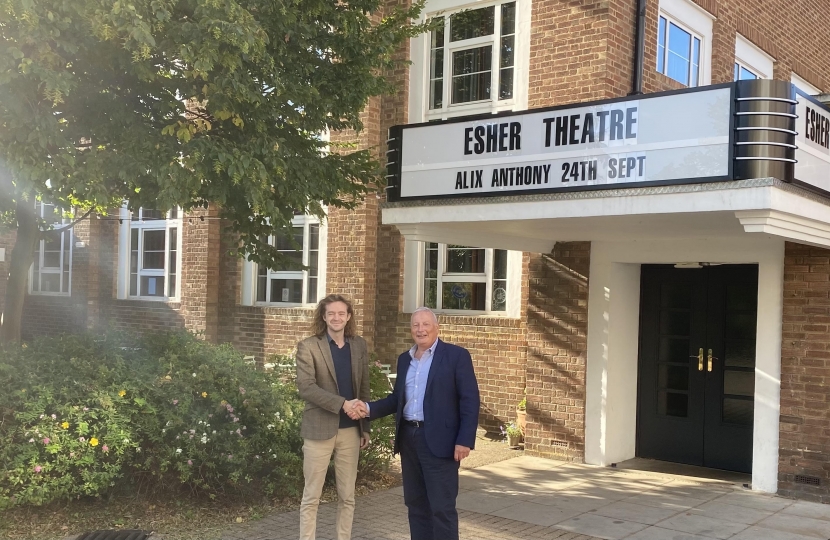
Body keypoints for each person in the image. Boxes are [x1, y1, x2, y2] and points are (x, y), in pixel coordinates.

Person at [350, 306, 480, 540]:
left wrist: (464, 440)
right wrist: (367, 409)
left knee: (442, 508)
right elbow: (397, 399)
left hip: (441, 443)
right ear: (411, 329)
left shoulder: (456, 356)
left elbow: (469, 400)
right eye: (416, 325)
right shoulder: (405, 360)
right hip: (409, 439)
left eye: (426, 324)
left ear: (436, 328)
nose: (421, 329)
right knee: (416, 504)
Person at [296, 294, 371, 540]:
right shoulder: (309, 346)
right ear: (324, 317)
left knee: (347, 496)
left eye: (341, 313)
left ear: (348, 317)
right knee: (312, 496)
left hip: (351, 431)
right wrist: (342, 404)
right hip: (319, 430)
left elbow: (364, 387)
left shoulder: (358, 345)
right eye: (331, 313)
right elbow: (306, 387)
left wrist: (365, 427)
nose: (336, 318)